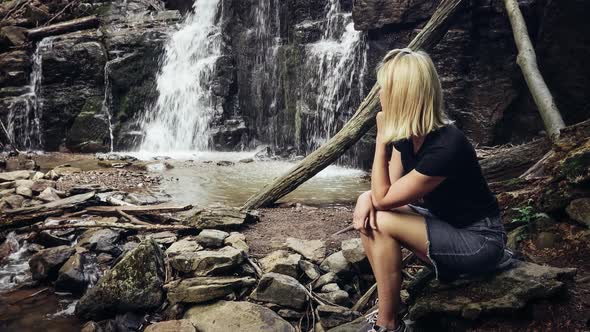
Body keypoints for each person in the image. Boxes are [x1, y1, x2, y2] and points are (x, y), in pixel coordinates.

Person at [353, 48, 512, 332]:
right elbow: (387, 190)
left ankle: (387, 324)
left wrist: (380, 140)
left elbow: (383, 198)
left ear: (403, 95)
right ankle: (390, 309)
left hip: (479, 240)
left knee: (379, 217)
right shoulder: (407, 136)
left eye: (384, 88)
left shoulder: (447, 146)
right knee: (372, 217)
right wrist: (366, 196)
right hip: (445, 223)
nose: (379, 96)